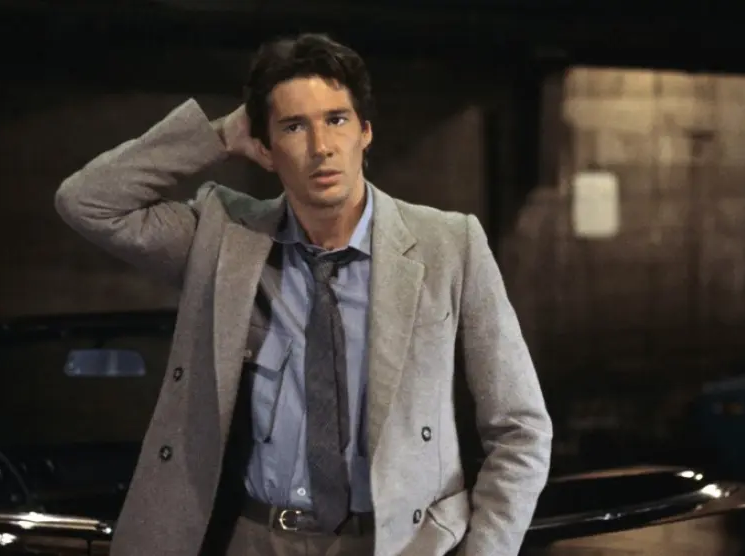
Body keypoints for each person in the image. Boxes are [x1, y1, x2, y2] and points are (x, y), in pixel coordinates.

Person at [55, 32, 552, 556]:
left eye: (336, 120)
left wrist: (486, 550)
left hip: (401, 543)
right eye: (294, 127)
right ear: (264, 149)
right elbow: (87, 202)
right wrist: (219, 135)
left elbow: (520, 429)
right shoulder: (225, 238)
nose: (321, 147)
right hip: (258, 539)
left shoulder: (449, 245)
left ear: (365, 131)